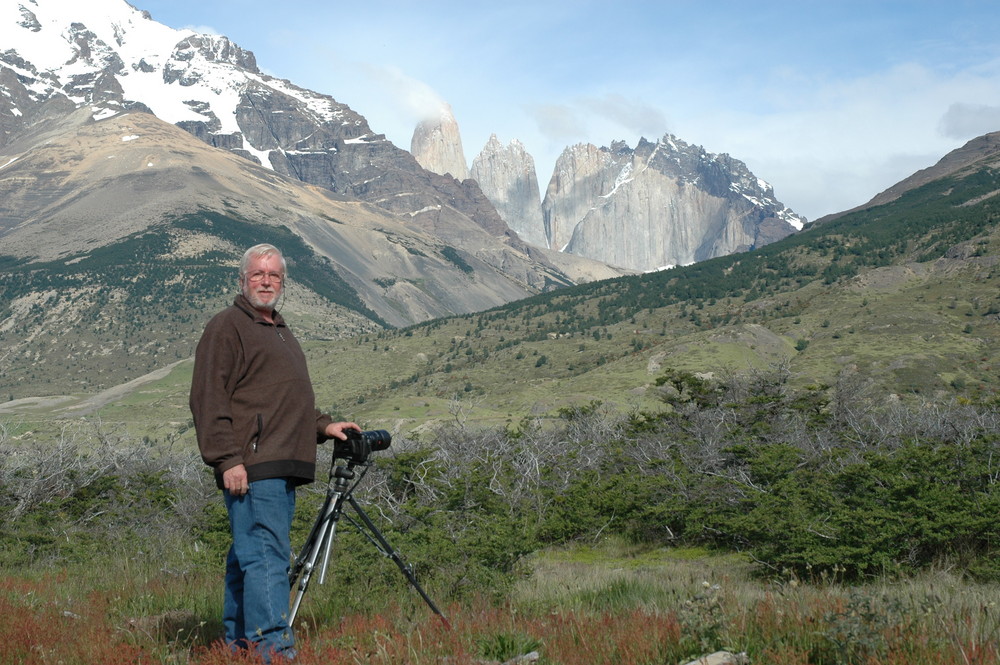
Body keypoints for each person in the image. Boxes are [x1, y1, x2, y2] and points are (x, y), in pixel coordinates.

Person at [190, 243, 359, 662]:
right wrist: (227, 459)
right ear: (241, 280)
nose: (266, 282)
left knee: (248, 558)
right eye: (257, 274)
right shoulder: (227, 326)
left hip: (279, 463)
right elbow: (208, 398)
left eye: (274, 276)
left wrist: (323, 426)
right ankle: (274, 653)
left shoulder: (278, 328)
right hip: (254, 465)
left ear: (283, 282)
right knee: (266, 557)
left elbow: (283, 398)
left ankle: (239, 647)